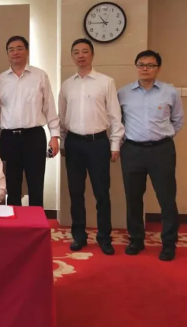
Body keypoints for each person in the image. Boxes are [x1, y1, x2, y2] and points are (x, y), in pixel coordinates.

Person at [59, 38, 124, 255]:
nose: (80, 55)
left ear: (92, 54)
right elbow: (62, 117)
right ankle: (79, 236)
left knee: (101, 193)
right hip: (74, 144)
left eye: (85, 51)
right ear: (72, 56)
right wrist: (62, 141)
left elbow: (115, 115)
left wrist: (115, 144)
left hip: (99, 143)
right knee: (75, 193)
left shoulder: (106, 82)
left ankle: (104, 237)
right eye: (76, 52)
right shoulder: (67, 85)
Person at [118, 50, 184, 261]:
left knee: (166, 198)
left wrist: (162, 137)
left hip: (161, 150)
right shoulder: (123, 93)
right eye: (141, 64)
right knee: (133, 198)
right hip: (132, 150)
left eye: (150, 65)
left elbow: (178, 120)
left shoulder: (170, 92)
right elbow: (118, 121)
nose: (145, 68)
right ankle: (136, 240)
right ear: (136, 66)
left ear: (158, 68)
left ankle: (169, 243)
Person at [0, 36, 60, 207]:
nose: (15, 52)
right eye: (11, 49)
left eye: (19, 48)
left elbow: (49, 106)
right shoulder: (1, 79)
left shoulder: (40, 75)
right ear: (7, 54)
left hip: (34, 136)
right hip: (8, 138)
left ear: (27, 51)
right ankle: (15, 222)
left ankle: (36, 221)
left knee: (36, 184)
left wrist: (54, 136)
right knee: (12, 186)